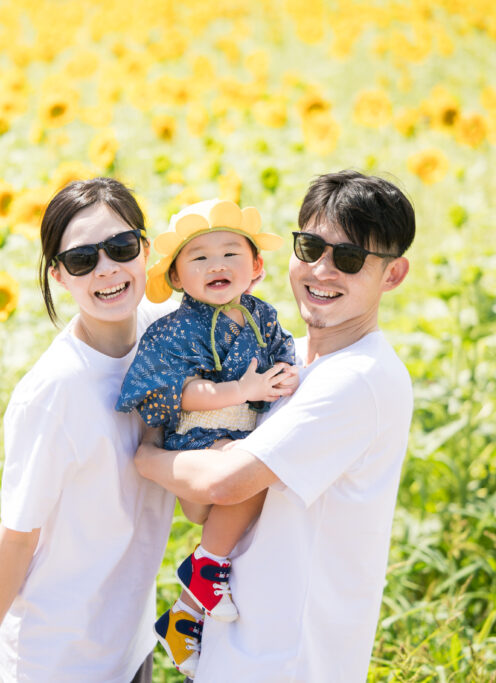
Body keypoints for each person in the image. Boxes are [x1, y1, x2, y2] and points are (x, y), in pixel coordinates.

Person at [133, 170, 415, 681]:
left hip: (289, 658)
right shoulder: (294, 359)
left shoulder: (358, 379)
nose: (321, 271)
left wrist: (147, 455)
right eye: (310, 247)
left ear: (393, 275)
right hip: (242, 639)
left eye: (348, 259)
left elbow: (222, 483)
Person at [0, 177, 205, 683]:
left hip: (130, 644)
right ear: (59, 276)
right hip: (59, 658)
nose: (107, 269)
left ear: (146, 251)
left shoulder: (167, 334)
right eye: (82, 259)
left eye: (121, 247)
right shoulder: (54, 392)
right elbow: (17, 538)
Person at [115, 198, 298, 676]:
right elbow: (177, 391)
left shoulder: (262, 314)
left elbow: (285, 355)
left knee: (247, 494)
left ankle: (185, 613)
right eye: (199, 258)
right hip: (198, 438)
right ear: (177, 277)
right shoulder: (178, 328)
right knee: (241, 474)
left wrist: (286, 377)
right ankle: (204, 567)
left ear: (255, 267)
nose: (217, 264)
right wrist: (242, 389)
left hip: (242, 428)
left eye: (231, 254)